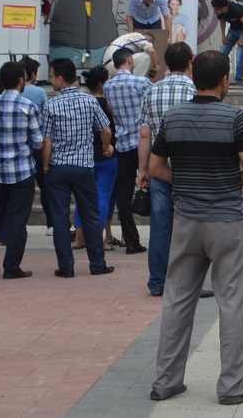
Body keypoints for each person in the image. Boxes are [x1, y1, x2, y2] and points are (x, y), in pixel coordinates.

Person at [148, 51, 243, 406]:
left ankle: (166, 381)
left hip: (186, 220)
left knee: (177, 299)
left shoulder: (173, 117)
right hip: (227, 221)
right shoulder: (236, 120)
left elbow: (155, 167)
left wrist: (184, 182)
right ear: (225, 80)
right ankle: (232, 385)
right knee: (230, 303)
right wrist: (228, 182)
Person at [42, 58, 114, 278]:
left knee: (60, 218)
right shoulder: (90, 101)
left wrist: (46, 165)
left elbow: (47, 141)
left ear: (60, 79)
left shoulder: (51, 105)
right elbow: (106, 130)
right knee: (91, 215)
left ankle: (66, 267)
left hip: (59, 168)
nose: (51, 80)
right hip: (84, 166)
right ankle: (97, 264)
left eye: (52, 76)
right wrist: (105, 148)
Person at [0, 65, 45, 280]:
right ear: (20, 80)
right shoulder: (28, 106)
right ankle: (11, 266)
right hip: (23, 170)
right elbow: (38, 140)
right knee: (18, 219)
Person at [143, 41, 198, 299]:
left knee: (160, 226)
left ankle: (157, 282)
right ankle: (187, 283)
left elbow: (145, 136)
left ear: (166, 63)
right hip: (191, 168)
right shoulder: (196, 90)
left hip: (159, 165)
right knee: (190, 227)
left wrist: (143, 169)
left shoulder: (152, 92)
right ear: (190, 64)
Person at [103, 50, 152, 254]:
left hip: (122, 143)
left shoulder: (108, 86)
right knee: (154, 188)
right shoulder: (142, 83)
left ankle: (130, 240)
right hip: (143, 143)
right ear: (130, 61)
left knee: (123, 194)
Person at [209, 0, 243, 66]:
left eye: (217, 9)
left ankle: (239, 77)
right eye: (214, 9)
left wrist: (242, 39)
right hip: (233, 29)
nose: (215, 11)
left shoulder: (236, 10)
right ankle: (221, 75)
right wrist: (223, 35)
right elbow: (222, 20)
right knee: (222, 53)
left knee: (240, 55)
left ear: (224, 7)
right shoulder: (219, 12)